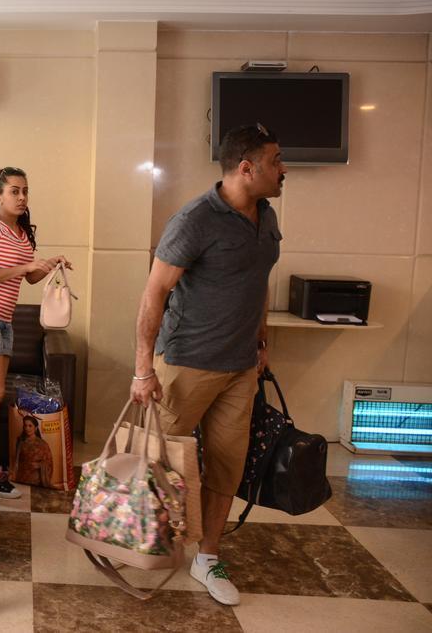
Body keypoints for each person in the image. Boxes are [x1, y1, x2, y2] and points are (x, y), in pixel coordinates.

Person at [130, 123, 285, 606]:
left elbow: (258, 282)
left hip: (240, 368)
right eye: (276, 161)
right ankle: (133, 538)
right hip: (186, 364)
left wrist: (261, 341)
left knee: (226, 466)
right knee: (155, 462)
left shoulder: (267, 216)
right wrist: (143, 368)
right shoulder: (195, 219)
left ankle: (208, 556)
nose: (283, 170)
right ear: (247, 168)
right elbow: (155, 292)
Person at [0, 167, 71, 499]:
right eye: (14, 191)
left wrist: (49, 265)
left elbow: (28, 278)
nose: (22, 197)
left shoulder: (20, 232)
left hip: (2, 320)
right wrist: (27, 266)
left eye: (25, 191)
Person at [13, 415, 53, 488]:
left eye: (30, 426)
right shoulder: (21, 442)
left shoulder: (42, 444)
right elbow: (16, 461)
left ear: (36, 428)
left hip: (37, 480)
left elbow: (49, 463)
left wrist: (39, 465)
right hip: (21, 478)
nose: (27, 428)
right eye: (25, 426)